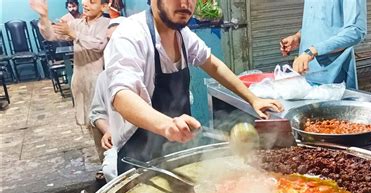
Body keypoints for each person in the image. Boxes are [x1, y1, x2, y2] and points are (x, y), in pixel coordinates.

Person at [104, 0, 284, 174]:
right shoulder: (130, 35)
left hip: (178, 151)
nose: (185, 4)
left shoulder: (182, 34)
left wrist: (253, 99)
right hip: (139, 157)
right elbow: (122, 96)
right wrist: (167, 125)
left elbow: (213, 65)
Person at [30, 0, 110, 126]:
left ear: (104, 6)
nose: (85, 4)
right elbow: (51, 35)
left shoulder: (107, 24)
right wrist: (44, 17)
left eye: (92, 2)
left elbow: (98, 45)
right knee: (87, 122)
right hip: (79, 79)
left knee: (101, 122)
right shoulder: (76, 23)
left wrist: (73, 33)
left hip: (98, 81)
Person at [280, 0, 367, 90]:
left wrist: (312, 51)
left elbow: (356, 31)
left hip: (334, 80)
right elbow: (322, 23)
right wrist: (298, 37)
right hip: (306, 77)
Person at [89, 17, 126, 182]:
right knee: (112, 169)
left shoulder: (151, 71)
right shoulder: (104, 78)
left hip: (153, 144)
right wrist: (109, 130)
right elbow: (97, 113)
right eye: (109, 41)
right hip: (119, 145)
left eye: (118, 40)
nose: (112, 46)